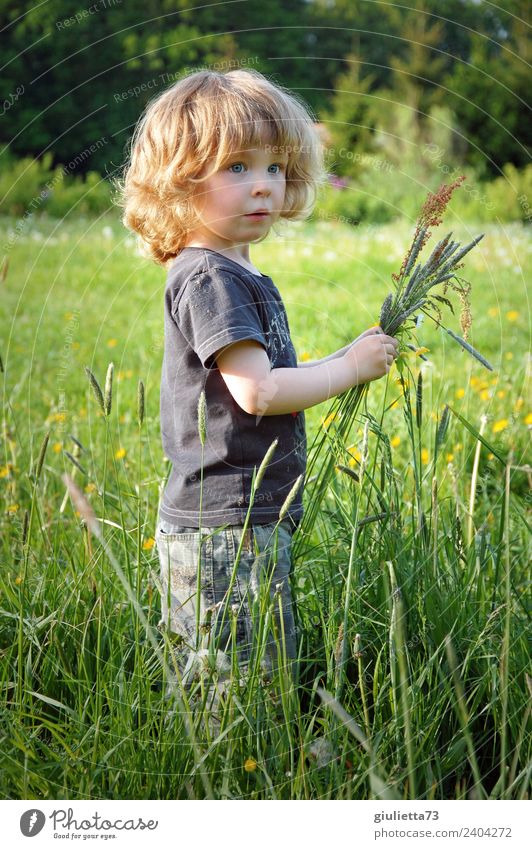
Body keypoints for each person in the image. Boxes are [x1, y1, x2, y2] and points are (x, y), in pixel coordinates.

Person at [116, 68, 399, 712]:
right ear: (180, 181)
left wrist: (343, 356)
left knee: (249, 670)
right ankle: (231, 787)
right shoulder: (210, 277)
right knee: (237, 690)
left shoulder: (233, 266)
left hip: (242, 517)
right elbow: (260, 393)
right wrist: (348, 369)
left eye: (275, 166)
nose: (264, 185)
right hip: (224, 525)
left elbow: (264, 378)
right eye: (238, 166)